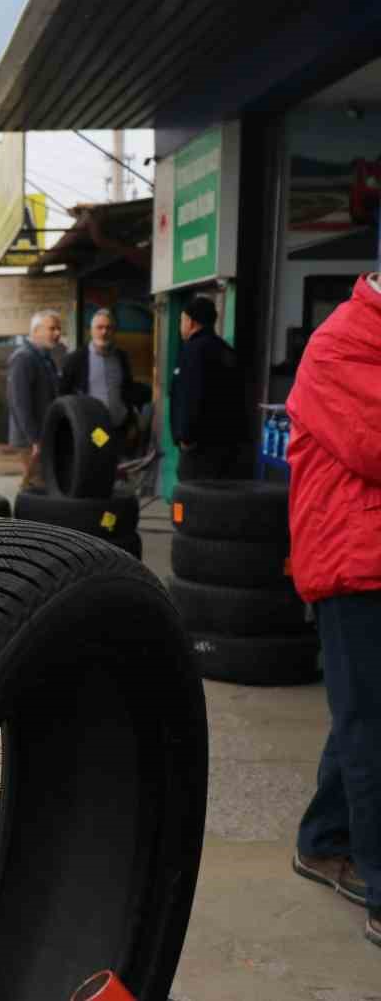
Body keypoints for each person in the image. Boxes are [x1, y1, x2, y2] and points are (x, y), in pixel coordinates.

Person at [287, 273, 381, 950]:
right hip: (354, 566)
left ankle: (323, 841)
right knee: (372, 727)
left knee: (363, 714)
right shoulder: (341, 345)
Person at [170, 295, 244, 481]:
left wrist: (186, 438)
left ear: (190, 322)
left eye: (181, 320)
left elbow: (190, 396)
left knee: (191, 501)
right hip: (226, 446)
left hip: (198, 449)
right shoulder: (226, 350)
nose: (181, 325)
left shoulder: (192, 350)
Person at [59, 308, 147, 457]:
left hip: (119, 425)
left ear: (114, 331)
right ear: (91, 331)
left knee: (119, 466)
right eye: (99, 327)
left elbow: (127, 389)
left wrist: (132, 421)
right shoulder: (76, 359)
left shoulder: (121, 357)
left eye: (108, 328)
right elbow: (64, 394)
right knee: (102, 458)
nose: (104, 332)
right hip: (92, 427)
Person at [7, 309, 62, 490]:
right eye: (52, 328)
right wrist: (34, 440)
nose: (57, 333)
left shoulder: (45, 359)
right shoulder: (23, 358)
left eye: (58, 329)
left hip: (43, 436)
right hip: (31, 439)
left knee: (37, 485)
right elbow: (20, 403)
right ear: (36, 331)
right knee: (38, 486)